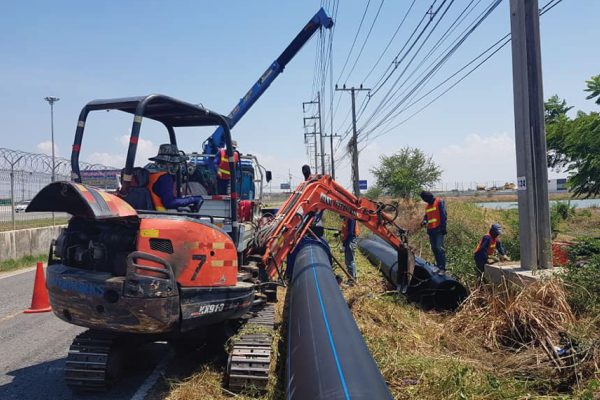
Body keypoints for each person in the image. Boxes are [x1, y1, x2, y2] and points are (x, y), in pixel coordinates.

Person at [147, 144, 202, 211]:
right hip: (159, 217)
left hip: (150, 213)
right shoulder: (165, 178)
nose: (176, 167)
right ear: (169, 164)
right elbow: (169, 203)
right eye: (175, 164)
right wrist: (193, 200)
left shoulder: (150, 173)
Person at [420, 190, 447, 271]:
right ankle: (438, 266)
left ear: (429, 197)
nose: (425, 200)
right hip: (431, 230)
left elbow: (443, 215)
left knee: (439, 248)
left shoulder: (439, 201)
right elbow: (426, 216)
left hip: (439, 230)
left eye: (425, 199)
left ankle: (442, 268)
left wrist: (443, 228)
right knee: (434, 249)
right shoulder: (427, 206)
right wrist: (424, 221)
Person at [341, 216, 360, 282]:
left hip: (350, 241)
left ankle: (352, 280)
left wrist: (344, 245)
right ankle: (353, 277)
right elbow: (346, 230)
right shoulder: (346, 217)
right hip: (349, 240)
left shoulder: (350, 218)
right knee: (349, 260)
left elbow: (350, 233)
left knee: (349, 260)